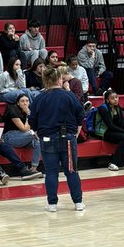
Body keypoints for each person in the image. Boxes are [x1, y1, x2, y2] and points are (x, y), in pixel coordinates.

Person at [29, 64, 85, 213]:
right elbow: (81, 114)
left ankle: (52, 204)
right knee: (71, 171)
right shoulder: (70, 95)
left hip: (47, 139)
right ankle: (78, 202)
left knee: (51, 172)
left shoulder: (40, 98)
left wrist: (37, 132)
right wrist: (77, 131)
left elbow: (32, 119)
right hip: (68, 138)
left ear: (46, 81)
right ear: (60, 79)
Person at [95, 88, 124, 171]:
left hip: (114, 130)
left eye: (116, 97)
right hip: (104, 132)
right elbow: (110, 125)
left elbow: (123, 123)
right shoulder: (103, 109)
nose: (115, 99)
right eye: (112, 98)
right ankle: (114, 163)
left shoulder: (118, 108)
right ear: (107, 100)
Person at [2, 92, 41, 170]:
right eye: (22, 101)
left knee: (38, 142)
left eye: (27, 101)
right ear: (18, 103)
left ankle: (34, 168)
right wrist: (28, 115)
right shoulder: (12, 111)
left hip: (25, 137)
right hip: (10, 137)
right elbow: (24, 128)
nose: (25, 103)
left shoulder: (30, 111)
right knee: (34, 135)